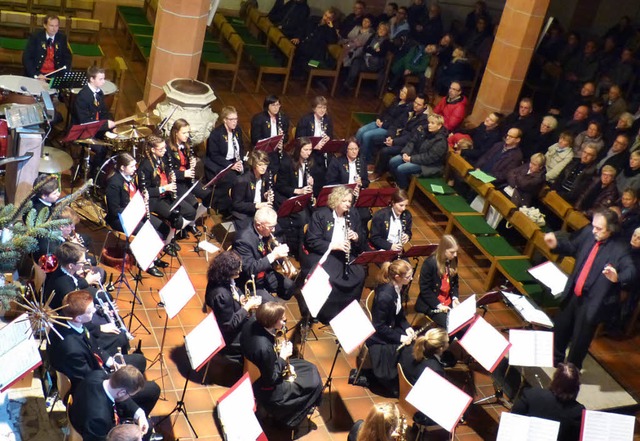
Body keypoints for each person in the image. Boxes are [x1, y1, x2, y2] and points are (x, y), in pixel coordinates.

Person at [544, 209, 636, 369]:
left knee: (580, 339)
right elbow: (572, 245)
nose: (594, 230)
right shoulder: (589, 233)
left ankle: (571, 370)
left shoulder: (620, 248)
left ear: (611, 229)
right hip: (574, 292)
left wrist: (617, 277)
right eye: (594, 226)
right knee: (561, 327)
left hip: (593, 300)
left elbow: (631, 271)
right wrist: (557, 244)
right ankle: (555, 359)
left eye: (599, 228)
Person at [47, 290, 159, 417]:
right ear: (78, 318)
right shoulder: (72, 350)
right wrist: (115, 376)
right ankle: (127, 417)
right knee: (153, 390)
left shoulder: (67, 317)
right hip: (89, 386)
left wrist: (109, 361)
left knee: (140, 360)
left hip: (95, 366)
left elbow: (92, 343)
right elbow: (89, 380)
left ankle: (132, 390)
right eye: (90, 310)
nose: (95, 311)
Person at [240, 302, 323, 429]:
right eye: (282, 319)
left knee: (309, 368)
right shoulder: (265, 348)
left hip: (261, 366)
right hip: (268, 389)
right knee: (313, 382)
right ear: (271, 321)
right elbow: (271, 379)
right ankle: (294, 415)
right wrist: (283, 357)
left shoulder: (252, 321)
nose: (285, 321)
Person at [303, 185, 366, 323]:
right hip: (326, 254)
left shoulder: (353, 215)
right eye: (345, 201)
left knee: (359, 274)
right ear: (336, 200)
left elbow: (362, 240)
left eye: (350, 201)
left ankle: (346, 311)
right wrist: (334, 245)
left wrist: (356, 237)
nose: (348, 204)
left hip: (345, 255)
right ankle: (324, 313)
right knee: (329, 278)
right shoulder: (321, 215)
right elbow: (312, 241)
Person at [104, 152, 174, 272]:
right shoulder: (114, 183)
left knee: (164, 229)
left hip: (136, 212)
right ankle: (148, 264)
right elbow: (114, 210)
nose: (134, 169)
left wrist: (143, 197)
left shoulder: (129, 177)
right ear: (122, 167)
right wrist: (135, 208)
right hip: (120, 218)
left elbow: (134, 193)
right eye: (131, 166)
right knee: (149, 234)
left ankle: (153, 256)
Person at [204, 250, 269, 358]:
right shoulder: (221, 295)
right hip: (229, 336)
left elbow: (234, 289)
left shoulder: (221, 278)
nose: (240, 271)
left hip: (231, 318)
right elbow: (229, 325)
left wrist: (241, 298)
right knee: (260, 336)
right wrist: (247, 306)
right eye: (237, 270)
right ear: (227, 271)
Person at [68, 365, 161, 441]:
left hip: (86, 409)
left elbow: (120, 398)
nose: (129, 398)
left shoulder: (97, 374)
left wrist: (139, 415)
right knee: (146, 432)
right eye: (130, 395)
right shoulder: (99, 420)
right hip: (91, 432)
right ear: (121, 392)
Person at [365, 259, 415, 394]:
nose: (411, 279)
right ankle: (402, 382)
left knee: (414, 342)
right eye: (408, 276)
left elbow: (398, 313)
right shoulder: (385, 296)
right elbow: (379, 326)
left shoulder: (397, 287)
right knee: (408, 351)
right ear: (398, 277)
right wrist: (400, 338)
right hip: (379, 336)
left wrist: (407, 327)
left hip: (391, 325)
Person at [233, 207, 297, 301]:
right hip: (250, 282)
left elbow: (273, 246)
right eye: (271, 227)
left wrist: (283, 261)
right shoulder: (243, 240)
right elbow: (250, 269)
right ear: (259, 225)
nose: (274, 230)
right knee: (271, 305)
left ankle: (276, 307)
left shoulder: (266, 231)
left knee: (290, 286)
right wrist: (274, 256)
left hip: (265, 274)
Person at [138, 135, 198, 235]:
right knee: (177, 220)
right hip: (155, 199)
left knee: (191, 212)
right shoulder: (145, 166)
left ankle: (174, 233)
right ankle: (169, 239)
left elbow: (167, 172)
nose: (165, 151)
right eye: (161, 149)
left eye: (165, 147)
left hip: (167, 194)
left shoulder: (161, 159)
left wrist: (171, 178)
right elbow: (145, 190)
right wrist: (164, 188)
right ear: (153, 149)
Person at [512, 363, 585, 441]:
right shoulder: (578, 412)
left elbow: (514, 419)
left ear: (555, 379)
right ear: (576, 388)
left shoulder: (532, 394)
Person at [370, 93, 429, 181]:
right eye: (415, 102)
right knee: (376, 139)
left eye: (419, 104)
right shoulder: (409, 110)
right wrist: (391, 136)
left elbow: (411, 137)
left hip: (407, 146)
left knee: (385, 150)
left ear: (425, 106)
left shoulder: (424, 120)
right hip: (397, 137)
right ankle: (376, 166)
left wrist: (394, 142)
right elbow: (396, 124)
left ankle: (378, 173)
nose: (415, 105)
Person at [273, 138, 316, 255]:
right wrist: (298, 191)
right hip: (289, 198)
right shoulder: (287, 163)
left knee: (315, 215)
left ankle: (308, 246)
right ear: (298, 150)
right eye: (305, 149)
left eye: (310, 150)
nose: (308, 152)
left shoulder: (308, 163)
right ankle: (298, 250)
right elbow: (280, 187)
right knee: (303, 220)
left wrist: (310, 182)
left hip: (302, 198)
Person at [71, 66, 116, 176]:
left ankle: (101, 169)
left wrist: (111, 124)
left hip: (97, 128)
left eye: (103, 78)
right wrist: (105, 125)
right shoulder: (83, 96)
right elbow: (85, 121)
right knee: (102, 148)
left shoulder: (99, 93)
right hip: (84, 131)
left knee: (113, 144)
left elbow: (104, 112)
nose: (103, 81)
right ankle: (93, 174)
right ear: (92, 79)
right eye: (100, 79)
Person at [355, 84, 415, 165]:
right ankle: (354, 153)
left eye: (404, 93)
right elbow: (385, 111)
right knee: (360, 131)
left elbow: (397, 123)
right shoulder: (396, 101)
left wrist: (383, 125)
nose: (401, 93)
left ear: (409, 95)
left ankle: (365, 160)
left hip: (388, 129)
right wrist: (379, 118)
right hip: (381, 122)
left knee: (366, 135)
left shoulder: (408, 108)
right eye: (401, 91)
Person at [389, 113, 448, 189]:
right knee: (393, 161)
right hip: (415, 155)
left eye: (432, 123)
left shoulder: (441, 141)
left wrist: (411, 159)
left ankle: (403, 188)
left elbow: (429, 158)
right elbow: (412, 141)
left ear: (439, 126)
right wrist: (406, 152)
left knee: (401, 169)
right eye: (429, 122)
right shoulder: (424, 130)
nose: (429, 125)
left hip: (429, 165)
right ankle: (398, 181)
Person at [204, 106, 245, 215]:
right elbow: (214, 155)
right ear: (225, 120)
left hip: (234, 161)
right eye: (231, 119)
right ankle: (225, 207)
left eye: (236, 119)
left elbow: (241, 147)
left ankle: (241, 204)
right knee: (231, 178)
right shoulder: (216, 134)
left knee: (247, 175)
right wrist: (230, 165)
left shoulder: (238, 130)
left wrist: (240, 161)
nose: (234, 122)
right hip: (220, 163)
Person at [166, 118, 212, 215]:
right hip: (176, 182)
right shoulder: (167, 148)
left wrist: (193, 161)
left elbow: (188, 159)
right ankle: (187, 223)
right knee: (193, 203)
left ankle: (193, 220)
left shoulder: (187, 142)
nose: (187, 135)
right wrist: (184, 173)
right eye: (184, 133)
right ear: (176, 133)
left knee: (208, 194)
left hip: (188, 179)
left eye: (188, 132)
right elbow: (167, 171)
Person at [325, 138, 370, 230]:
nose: (354, 152)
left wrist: (361, 183)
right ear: (346, 150)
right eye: (351, 149)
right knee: (351, 214)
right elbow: (331, 182)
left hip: (357, 195)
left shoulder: (361, 162)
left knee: (365, 216)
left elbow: (366, 182)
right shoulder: (337, 162)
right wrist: (348, 189)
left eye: (356, 149)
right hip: (341, 195)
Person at [416, 234, 459, 328]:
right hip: (432, 304)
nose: (455, 255)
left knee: (463, 324)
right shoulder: (430, 263)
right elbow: (425, 290)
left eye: (456, 252)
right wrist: (439, 305)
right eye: (452, 252)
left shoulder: (453, 260)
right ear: (443, 250)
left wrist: (455, 298)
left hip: (448, 301)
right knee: (450, 325)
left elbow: (455, 283)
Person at [296, 96, 335, 194]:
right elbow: (299, 139)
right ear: (314, 108)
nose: (322, 110)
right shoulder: (305, 120)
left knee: (334, 166)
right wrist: (313, 146)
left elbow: (331, 135)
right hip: (310, 153)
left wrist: (328, 139)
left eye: (324, 108)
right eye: (320, 107)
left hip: (324, 152)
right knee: (317, 170)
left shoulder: (327, 120)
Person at [342, 22, 392, 93]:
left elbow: (381, 54)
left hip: (375, 64)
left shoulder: (386, 42)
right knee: (356, 61)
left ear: (387, 32)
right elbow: (365, 48)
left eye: (383, 30)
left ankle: (348, 84)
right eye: (380, 29)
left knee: (357, 63)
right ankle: (348, 84)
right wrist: (373, 50)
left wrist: (370, 49)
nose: (381, 31)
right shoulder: (373, 36)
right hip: (366, 60)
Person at [231, 150, 274, 231]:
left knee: (273, 227)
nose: (263, 167)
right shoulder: (242, 180)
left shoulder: (266, 175)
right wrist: (256, 206)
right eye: (260, 165)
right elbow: (236, 205)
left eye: (265, 165)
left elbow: (262, 192)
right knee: (252, 232)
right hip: (244, 214)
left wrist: (266, 195)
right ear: (254, 165)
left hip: (260, 210)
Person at [291, 8, 340, 76]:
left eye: (329, 18)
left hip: (314, 53)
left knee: (307, 60)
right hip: (303, 44)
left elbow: (333, 40)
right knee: (291, 46)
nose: (325, 18)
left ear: (332, 20)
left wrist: (331, 28)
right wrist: (297, 37)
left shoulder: (329, 29)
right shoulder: (313, 19)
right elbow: (302, 28)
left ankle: (301, 75)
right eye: (325, 15)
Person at [23, 14, 72, 80]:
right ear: (45, 25)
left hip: (55, 75)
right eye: (51, 26)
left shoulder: (62, 38)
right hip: (38, 74)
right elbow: (27, 58)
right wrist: (36, 74)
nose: (54, 29)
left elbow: (67, 58)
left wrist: (63, 74)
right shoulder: (36, 37)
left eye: (56, 26)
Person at [250, 95, 291, 173]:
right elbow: (255, 139)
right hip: (263, 152)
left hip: (277, 151)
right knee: (272, 166)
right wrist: (272, 141)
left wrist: (282, 139)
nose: (276, 108)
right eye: (273, 105)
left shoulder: (283, 118)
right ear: (267, 106)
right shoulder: (259, 118)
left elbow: (286, 136)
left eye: (278, 105)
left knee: (288, 164)